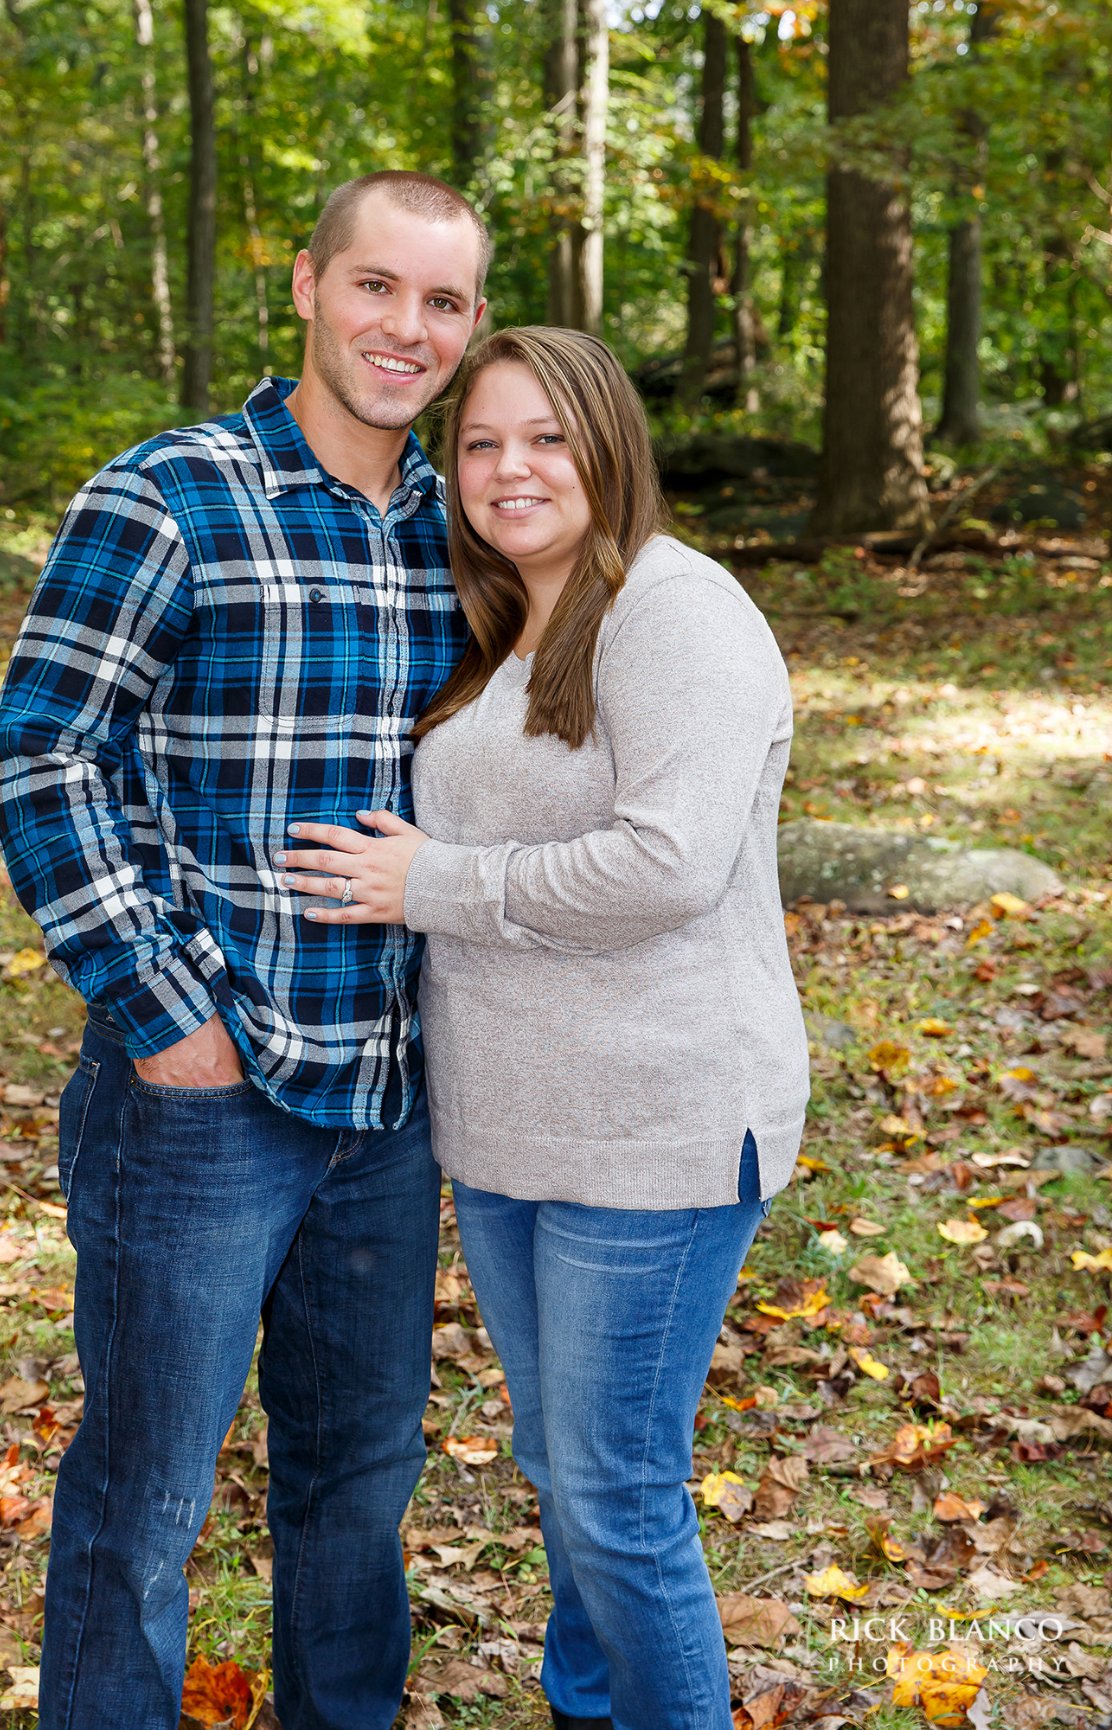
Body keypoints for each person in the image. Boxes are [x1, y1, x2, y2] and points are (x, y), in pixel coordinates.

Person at [0, 171, 489, 1730]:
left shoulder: (468, 531)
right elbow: (45, 752)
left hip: (389, 1095)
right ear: (308, 285)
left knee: (358, 1479)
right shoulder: (175, 493)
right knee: (147, 1489)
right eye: (378, 288)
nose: (407, 328)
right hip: (203, 1094)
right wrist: (158, 1013)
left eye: (445, 302)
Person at [275, 326, 811, 1730]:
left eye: (545, 438)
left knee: (618, 1493)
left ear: (609, 443)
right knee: (568, 1470)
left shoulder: (676, 613)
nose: (511, 469)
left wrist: (432, 882)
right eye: (480, 443)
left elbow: (668, 862)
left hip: (658, 1123)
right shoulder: (515, 618)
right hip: (511, 1126)